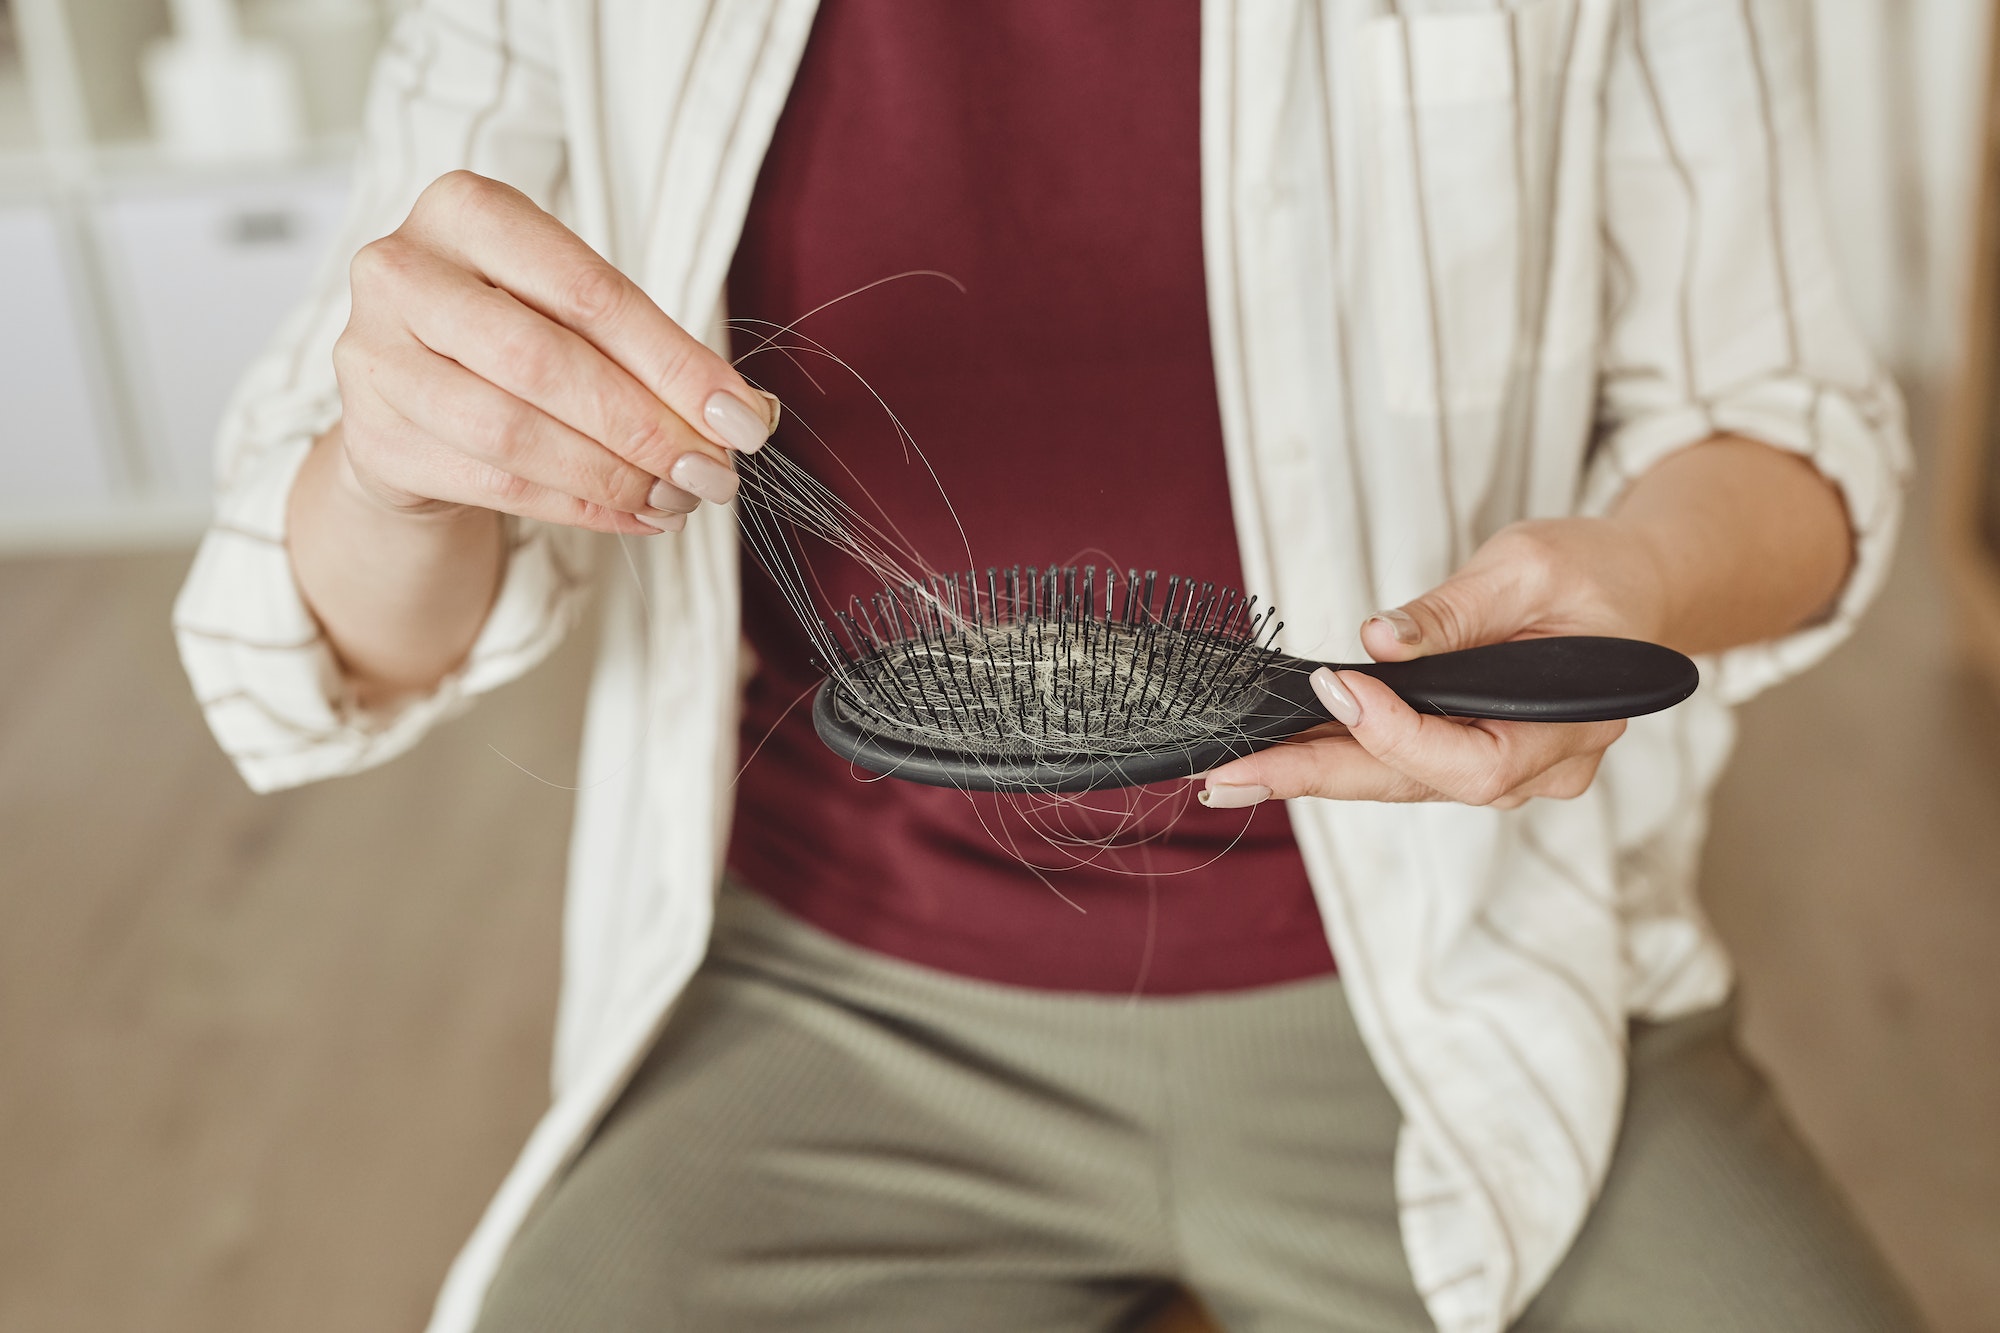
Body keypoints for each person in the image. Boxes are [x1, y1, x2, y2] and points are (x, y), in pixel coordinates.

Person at [173, 2, 1926, 1330]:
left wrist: (1631, 578)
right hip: (823, 1007)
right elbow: (310, 637)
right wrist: (396, 459)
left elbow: (1784, 435)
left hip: (1477, 972)